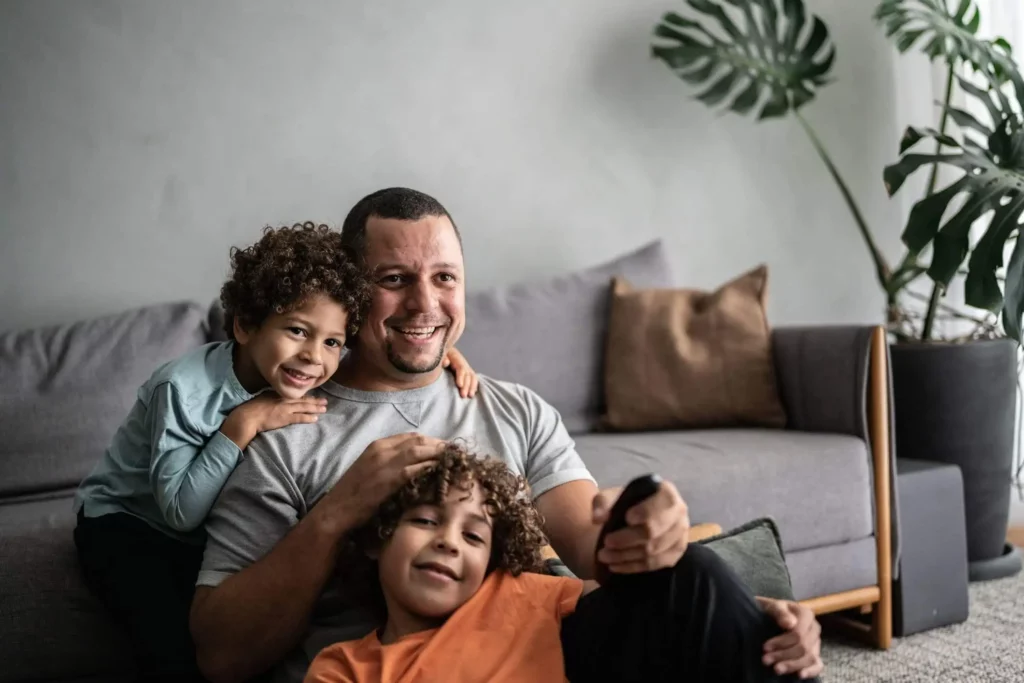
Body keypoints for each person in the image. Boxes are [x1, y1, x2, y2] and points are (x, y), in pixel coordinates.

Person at [189, 188, 824, 683]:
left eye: (444, 277)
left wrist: (665, 546)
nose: (424, 304)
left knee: (703, 581)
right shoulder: (282, 430)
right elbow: (221, 658)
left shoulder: (513, 409)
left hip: (543, 652)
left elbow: (598, 556)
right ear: (351, 294)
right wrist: (337, 514)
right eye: (393, 280)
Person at [73, 220, 479, 683]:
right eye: (297, 331)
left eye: (332, 342)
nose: (314, 356)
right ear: (246, 324)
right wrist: (242, 424)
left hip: (198, 527)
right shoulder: (181, 389)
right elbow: (180, 512)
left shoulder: (304, 366)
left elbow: (383, 353)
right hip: (130, 525)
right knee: (174, 650)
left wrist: (447, 356)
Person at [305, 443, 583, 683]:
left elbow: (619, 592)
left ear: (490, 561)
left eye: (473, 537)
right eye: (425, 521)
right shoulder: (344, 667)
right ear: (376, 538)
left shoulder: (523, 591)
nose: (449, 542)